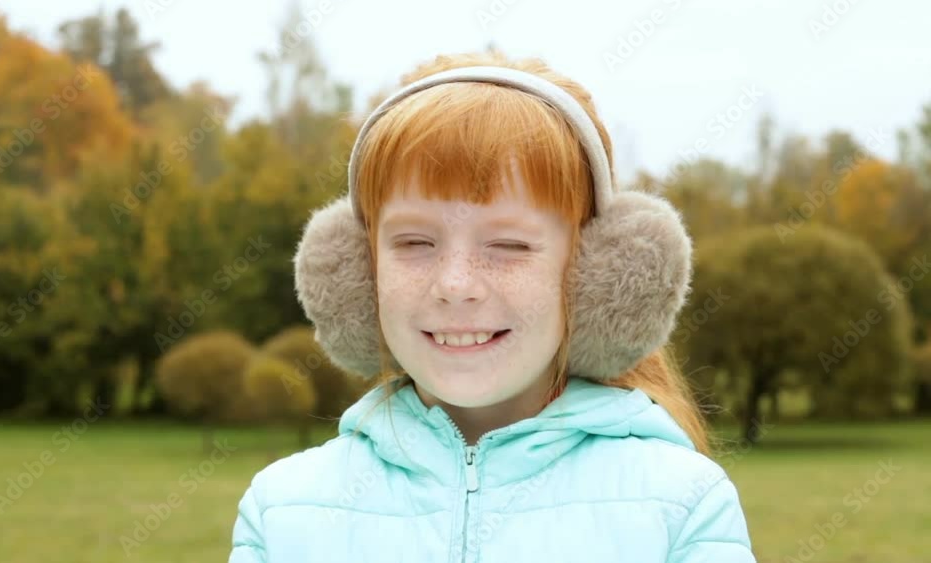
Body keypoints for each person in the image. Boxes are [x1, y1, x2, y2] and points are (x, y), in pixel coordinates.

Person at [227, 50, 756, 562]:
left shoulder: (682, 506)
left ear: (598, 275)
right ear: (359, 275)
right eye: (414, 242)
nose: (456, 285)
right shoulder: (283, 514)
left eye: (509, 245)